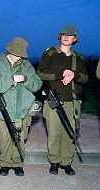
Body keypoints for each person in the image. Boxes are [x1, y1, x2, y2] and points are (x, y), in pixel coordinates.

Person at [37, 25, 88, 175]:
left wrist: (74, 75)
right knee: (54, 133)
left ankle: (67, 162)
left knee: (69, 133)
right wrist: (61, 73)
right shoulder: (50, 53)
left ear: (75, 39)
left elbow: (85, 78)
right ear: (60, 36)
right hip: (53, 100)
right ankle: (54, 162)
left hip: (72, 102)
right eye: (64, 34)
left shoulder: (78, 58)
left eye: (70, 35)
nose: (66, 37)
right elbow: (40, 73)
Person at [0, 37, 42, 176]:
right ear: (10, 50)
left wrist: (26, 79)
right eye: (17, 53)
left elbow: (37, 84)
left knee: (20, 137)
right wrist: (11, 80)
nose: (19, 56)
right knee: (4, 138)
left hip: (22, 109)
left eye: (21, 54)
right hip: (4, 108)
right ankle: (5, 163)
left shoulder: (27, 65)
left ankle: (18, 164)